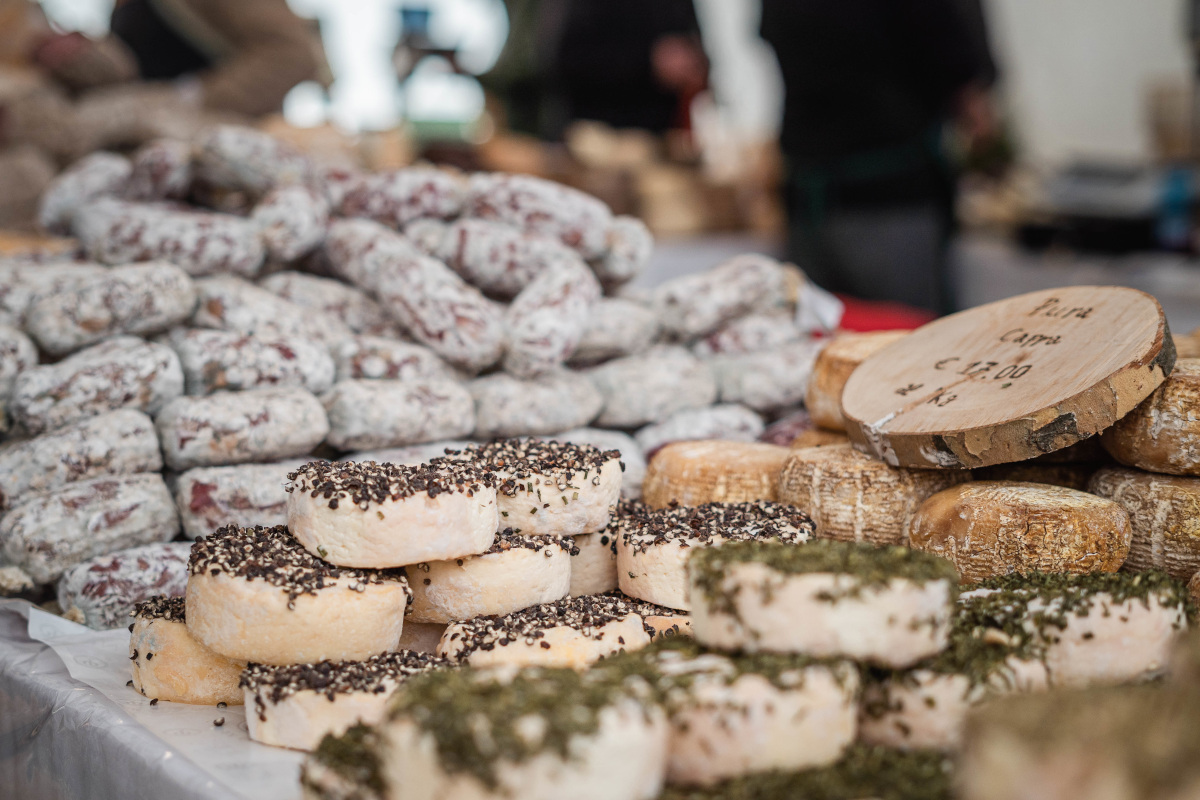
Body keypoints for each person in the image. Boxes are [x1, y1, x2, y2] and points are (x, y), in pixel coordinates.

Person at [760, 0, 998, 314]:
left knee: (831, 336)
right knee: (908, 342)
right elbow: (948, 49)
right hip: (882, 199)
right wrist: (970, 95)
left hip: (824, 193)